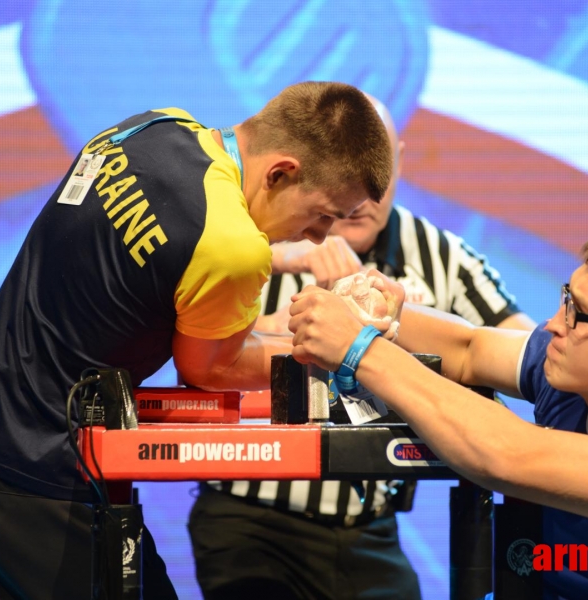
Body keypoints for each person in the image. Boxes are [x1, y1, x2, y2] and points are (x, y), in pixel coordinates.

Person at [0, 81, 393, 599]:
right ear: (280, 172)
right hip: (38, 485)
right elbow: (211, 368)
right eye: (323, 214)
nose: (319, 236)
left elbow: (163, 273)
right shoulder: (229, 246)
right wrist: (345, 344)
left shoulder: (150, 127)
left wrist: (293, 287)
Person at [289, 228, 588, 599]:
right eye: (565, 298)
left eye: (579, 313)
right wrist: (383, 312)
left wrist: (360, 350)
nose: (555, 324)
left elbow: (507, 456)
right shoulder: (577, 379)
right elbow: (470, 347)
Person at [188, 96, 535, 600]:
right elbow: (202, 348)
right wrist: (292, 286)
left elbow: (528, 351)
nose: (360, 201)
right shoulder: (245, 237)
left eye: (375, 176)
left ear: (395, 159)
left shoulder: (442, 255)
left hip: (370, 526)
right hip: (250, 519)